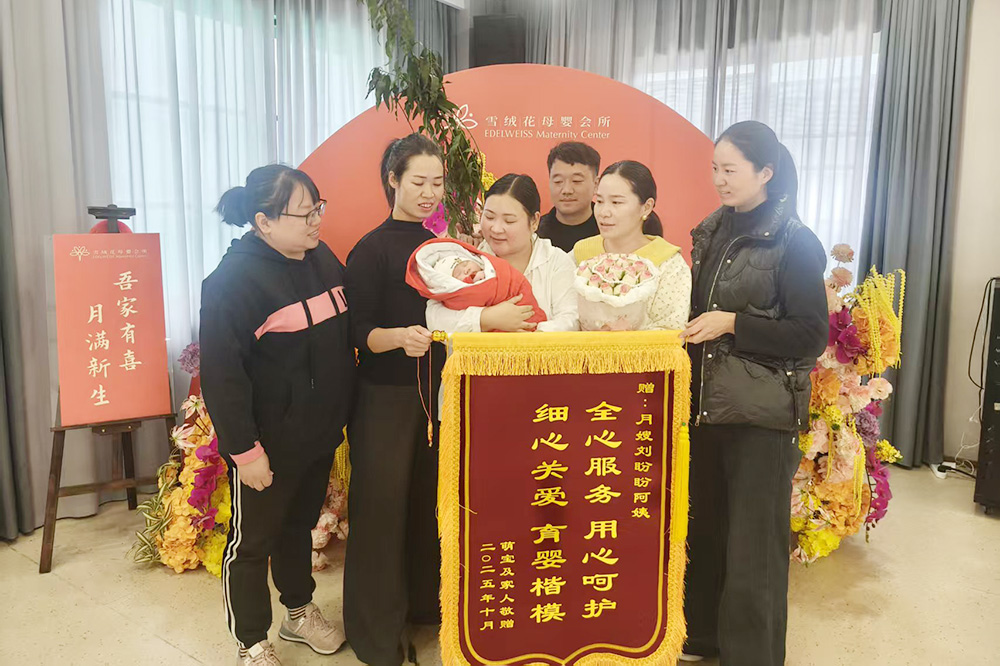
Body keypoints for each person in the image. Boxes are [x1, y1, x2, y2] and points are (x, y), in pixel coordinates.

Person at [679, 121, 828, 666]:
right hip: (707, 409)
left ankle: (753, 655)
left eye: (730, 169)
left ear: (765, 173)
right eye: (714, 168)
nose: (719, 179)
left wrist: (733, 323)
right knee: (707, 532)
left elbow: (810, 335)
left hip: (762, 416)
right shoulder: (711, 230)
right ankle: (703, 638)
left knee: (754, 548)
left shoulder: (795, 241)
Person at [201, 165, 356, 666]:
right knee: (251, 544)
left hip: (317, 434)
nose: (316, 221)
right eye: (304, 213)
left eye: (318, 208)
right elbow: (222, 376)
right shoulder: (231, 282)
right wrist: (245, 452)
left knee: (298, 527)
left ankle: (298, 611)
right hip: (266, 444)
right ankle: (251, 641)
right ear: (264, 222)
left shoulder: (320, 257)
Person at [343, 133, 446, 666]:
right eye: (419, 182)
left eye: (437, 183)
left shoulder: (444, 247)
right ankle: (377, 635)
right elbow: (358, 332)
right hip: (385, 399)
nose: (430, 193)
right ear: (393, 181)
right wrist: (399, 337)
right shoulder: (371, 249)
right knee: (381, 515)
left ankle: (424, 609)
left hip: (438, 396)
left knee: (427, 508)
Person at [426, 173, 579, 334]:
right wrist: (486, 318)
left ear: (534, 221)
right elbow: (435, 316)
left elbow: (571, 319)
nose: (496, 229)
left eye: (509, 221)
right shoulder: (467, 259)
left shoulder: (556, 262)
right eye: (489, 217)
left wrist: (528, 336)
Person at [572, 160, 691, 330]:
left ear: (646, 207)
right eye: (599, 201)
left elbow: (671, 329)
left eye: (616, 202)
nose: (604, 212)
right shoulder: (580, 254)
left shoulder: (668, 264)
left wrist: (624, 338)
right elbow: (565, 316)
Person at [405, 238, 548, 330]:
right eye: (458, 273)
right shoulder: (452, 294)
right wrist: (487, 318)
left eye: (465, 264)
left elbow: (514, 282)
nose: (466, 270)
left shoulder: (490, 264)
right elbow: (437, 320)